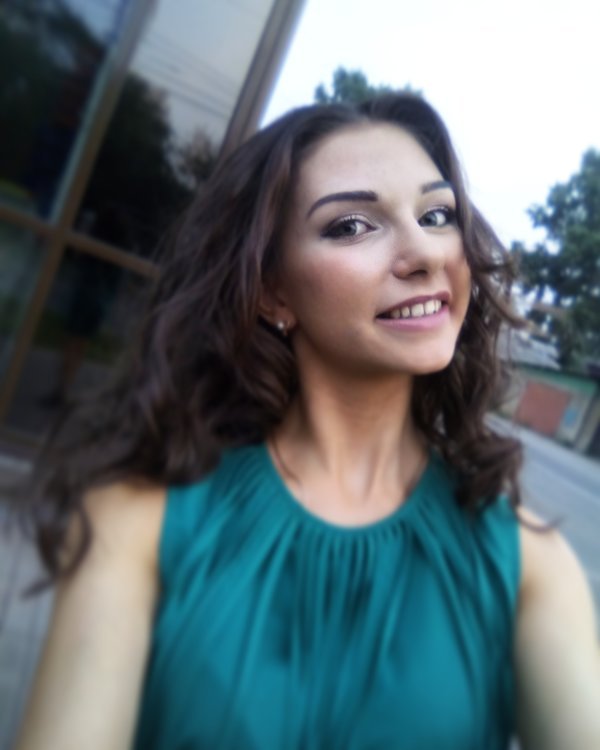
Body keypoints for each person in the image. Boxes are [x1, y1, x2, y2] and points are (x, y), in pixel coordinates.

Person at [16, 94, 600, 750]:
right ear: (274, 291)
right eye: (352, 226)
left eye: (437, 215)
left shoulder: (529, 565)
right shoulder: (141, 521)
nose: (424, 253)